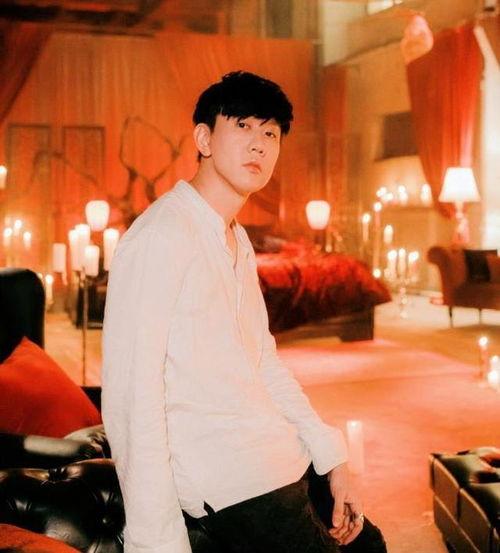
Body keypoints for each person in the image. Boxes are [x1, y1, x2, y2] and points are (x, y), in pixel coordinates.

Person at [102, 71, 386, 553]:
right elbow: (132, 396)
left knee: (369, 544)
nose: (259, 144)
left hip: (278, 455)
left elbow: (264, 363)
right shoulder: (161, 236)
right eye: (243, 126)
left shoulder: (236, 238)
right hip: (229, 481)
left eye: (270, 133)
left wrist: (332, 459)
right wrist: (157, 539)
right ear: (204, 139)